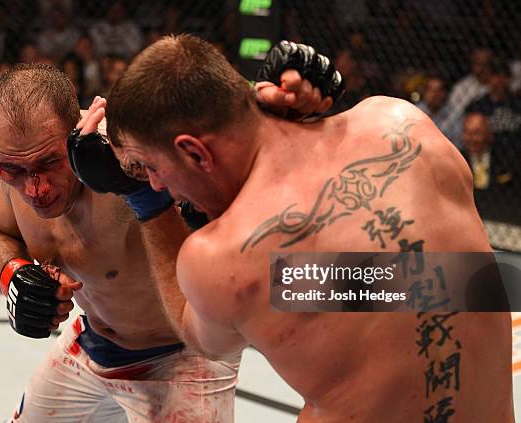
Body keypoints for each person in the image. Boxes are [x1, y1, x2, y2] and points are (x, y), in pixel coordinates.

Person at [103, 35, 514, 422]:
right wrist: (269, 117)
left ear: (193, 151)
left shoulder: (222, 258)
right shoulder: (401, 123)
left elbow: (201, 338)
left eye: (150, 167)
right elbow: (415, 282)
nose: (156, 184)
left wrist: (148, 206)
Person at [0, 42, 341, 422]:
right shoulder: (18, 160)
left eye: (49, 162)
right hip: (92, 343)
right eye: (11, 170)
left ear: (77, 129)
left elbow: (230, 139)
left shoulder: (134, 157)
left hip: (186, 356)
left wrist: (288, 113)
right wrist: (13, 273)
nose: (35, 189)